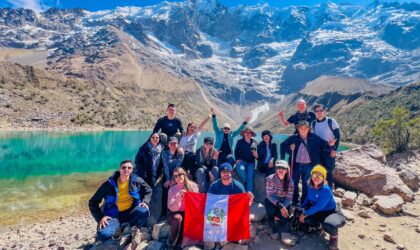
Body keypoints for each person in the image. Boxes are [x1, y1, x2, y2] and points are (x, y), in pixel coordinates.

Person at [88, 160, 152, 243]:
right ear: (119, 169)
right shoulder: (108, 185)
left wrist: (145, 202)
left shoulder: (136, 180)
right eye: (124, 167)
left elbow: (148, 190)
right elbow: (93, 202)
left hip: (130, 212)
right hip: (113, 216)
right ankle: (122, 227)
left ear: (132, 170)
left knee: (144, 211)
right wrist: (100, 217)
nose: (126, 169)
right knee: (102, 235)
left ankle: (130, 226)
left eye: (129, 168)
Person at [280, 120, 335, 205]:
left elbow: (325, 145)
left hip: (309, 166)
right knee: (294, 183)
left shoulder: (314, 138)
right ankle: (294, 200)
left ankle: (303, 202)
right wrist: (288, 151)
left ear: (308, 129)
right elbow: (283, 145)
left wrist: (331, 146)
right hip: (296, 165)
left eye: (305, 128)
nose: (303, 130)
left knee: (306, 185)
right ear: (298, 129)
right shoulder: (294, 138)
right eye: (301, 128)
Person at [299, 165, 346, 250]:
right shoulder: (310, 185)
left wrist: (305, 213)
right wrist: (302, 207)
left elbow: (319, 206)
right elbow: (308, 198)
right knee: (307, 219)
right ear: (311, 175)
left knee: (329, 224)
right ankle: (319, 228)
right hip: (319, 211)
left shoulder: (325, 190)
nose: (317, 177)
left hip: (331, 212)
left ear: (323, 178)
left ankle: (333, 239)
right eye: (314, 175)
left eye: (320, 176)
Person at [167, 167, 199, 250]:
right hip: (174, 213)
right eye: (175, 176)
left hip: (189, 212)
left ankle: (180, 243)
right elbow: (172, 208)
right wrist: (179, 197)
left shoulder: (194, 186)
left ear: (184, 175)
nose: (177, 178)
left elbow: (197, 203)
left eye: (179, 175)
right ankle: (171, 242)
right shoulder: (172, 190)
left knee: (189, 219)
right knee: (178, 218)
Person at [311, 104, 341, 188]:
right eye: (317, 111)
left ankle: (328, 192)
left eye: (321, 110)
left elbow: (338, 136)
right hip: (318, 152)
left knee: (328, 173)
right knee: (318, 172)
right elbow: (313, 139)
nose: (319, 113)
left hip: (329, 151)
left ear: (324, 111)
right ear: (315, 113)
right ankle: (319, 191)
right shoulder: (313, 124)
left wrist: (335, 149)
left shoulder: (331, 121)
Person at [265, 160, 294, 233]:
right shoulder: (270, 178)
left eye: (283, 168)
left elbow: (289, 197)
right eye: (279, 167)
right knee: (271, 210)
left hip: (284, 202)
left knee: (284, 218)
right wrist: (280, 206)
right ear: (276, 169)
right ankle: (271, 220)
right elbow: (270, 195)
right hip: (273, 201)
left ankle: (276, 219)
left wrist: (280, 210)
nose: (281, 169)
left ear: (286, 171)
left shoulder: (290, 182)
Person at [162, 137, 185, 216]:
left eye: (174, 143)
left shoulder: (180, 153)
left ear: (177, 144)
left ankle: (178, 209)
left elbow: (177, 166)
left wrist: (173, 179)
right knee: (166, 187)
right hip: (167, 174)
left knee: (175, 188)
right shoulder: (164, 153)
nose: (172, 145)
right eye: (171, 143)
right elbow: (166, 167)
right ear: (168, 144)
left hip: (177, 175)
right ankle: (166, 212)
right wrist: (168, 179)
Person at [235, 126, 258, 193]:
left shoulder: (254, 142)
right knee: (241, 169)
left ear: (251, 134)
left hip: (251, 163)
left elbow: (258, 152)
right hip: (242, 161)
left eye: (250, 132)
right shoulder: (239, 141)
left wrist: (256, 152)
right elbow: (236, 151)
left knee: (250, 178)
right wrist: (237, 159)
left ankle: (249, 195)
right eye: (246, 132)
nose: (248, 134)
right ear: (244, 133)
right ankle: (245, 181)